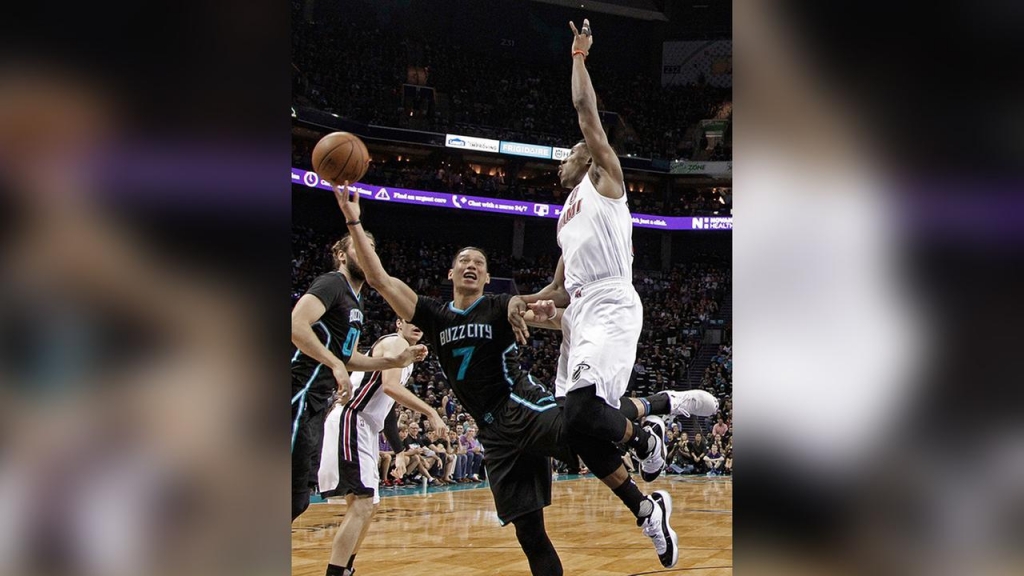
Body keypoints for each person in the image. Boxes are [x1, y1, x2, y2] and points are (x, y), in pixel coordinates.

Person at [331, 179, 702, 574]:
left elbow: (555, 305)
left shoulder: (498, 306)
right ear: (451, 272)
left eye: (479, 263)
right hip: (493, 435)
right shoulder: (435, 318)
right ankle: (648, 504)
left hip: (521, 405)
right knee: (531, 534)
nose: (471, 265)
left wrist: (546, 302)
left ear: (488, 277)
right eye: (464, 261)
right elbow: (380, 281)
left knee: (580, 422)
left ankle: (654, 431)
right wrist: (354, 222)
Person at [506, 18, 716, 568]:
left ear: (588, 154)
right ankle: (647, 509)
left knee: (580, 414)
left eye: (569, 150)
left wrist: (578, 57)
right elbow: (557, 291)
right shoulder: (561, 220)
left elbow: (586, 114)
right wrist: (516, 307)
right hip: (581, 316)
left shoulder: (605, 180)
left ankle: (648, 429)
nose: (563, 156)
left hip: (613, 303)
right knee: (576, 435)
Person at [291, 234, 427, 521]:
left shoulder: (357, 302)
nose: (367, 253)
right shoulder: (332, 284)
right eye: (359, 246)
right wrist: (334, 364)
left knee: (298, 497)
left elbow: (349, 356)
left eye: (372, 249)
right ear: (341, 255)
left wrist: (393, 361)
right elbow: (295, 324)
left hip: (316, 401)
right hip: (297, 392)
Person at [317, 318, 446, 576]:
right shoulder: (394, 343)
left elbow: (387, 409)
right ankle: (336, 572)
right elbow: (390, 387)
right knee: (362, 504)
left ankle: (345, 568)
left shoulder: (404, 357)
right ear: (399, 323)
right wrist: (431, 411)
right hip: (352, 419)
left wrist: (399, 451)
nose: (418, 323)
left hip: (366, 427)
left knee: (370, 504)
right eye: (411, 319)